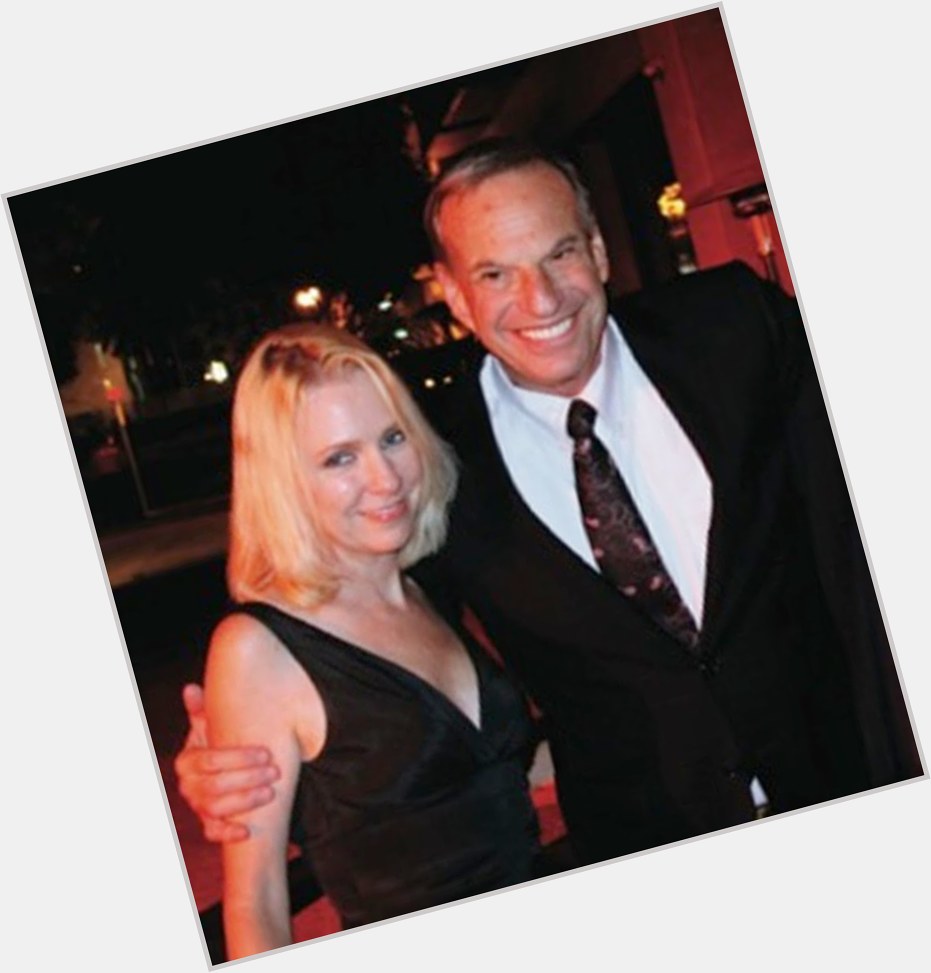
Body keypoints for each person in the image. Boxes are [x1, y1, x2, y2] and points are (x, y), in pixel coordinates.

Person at [176, 139, 920, 868]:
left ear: (597, 251)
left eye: (559, 254)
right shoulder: (430, 462)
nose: (540, 299)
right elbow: (364, 657)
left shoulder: (736, 328)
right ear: (455, 296)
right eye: (495, 273)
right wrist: (243, 751)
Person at [199, 323, 541, 958]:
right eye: (340, 458)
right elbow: (256, 901)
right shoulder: (257, 649)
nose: (386, 479)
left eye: (392, 438)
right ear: (283, 482)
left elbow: (482, 783)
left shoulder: (426, 590)